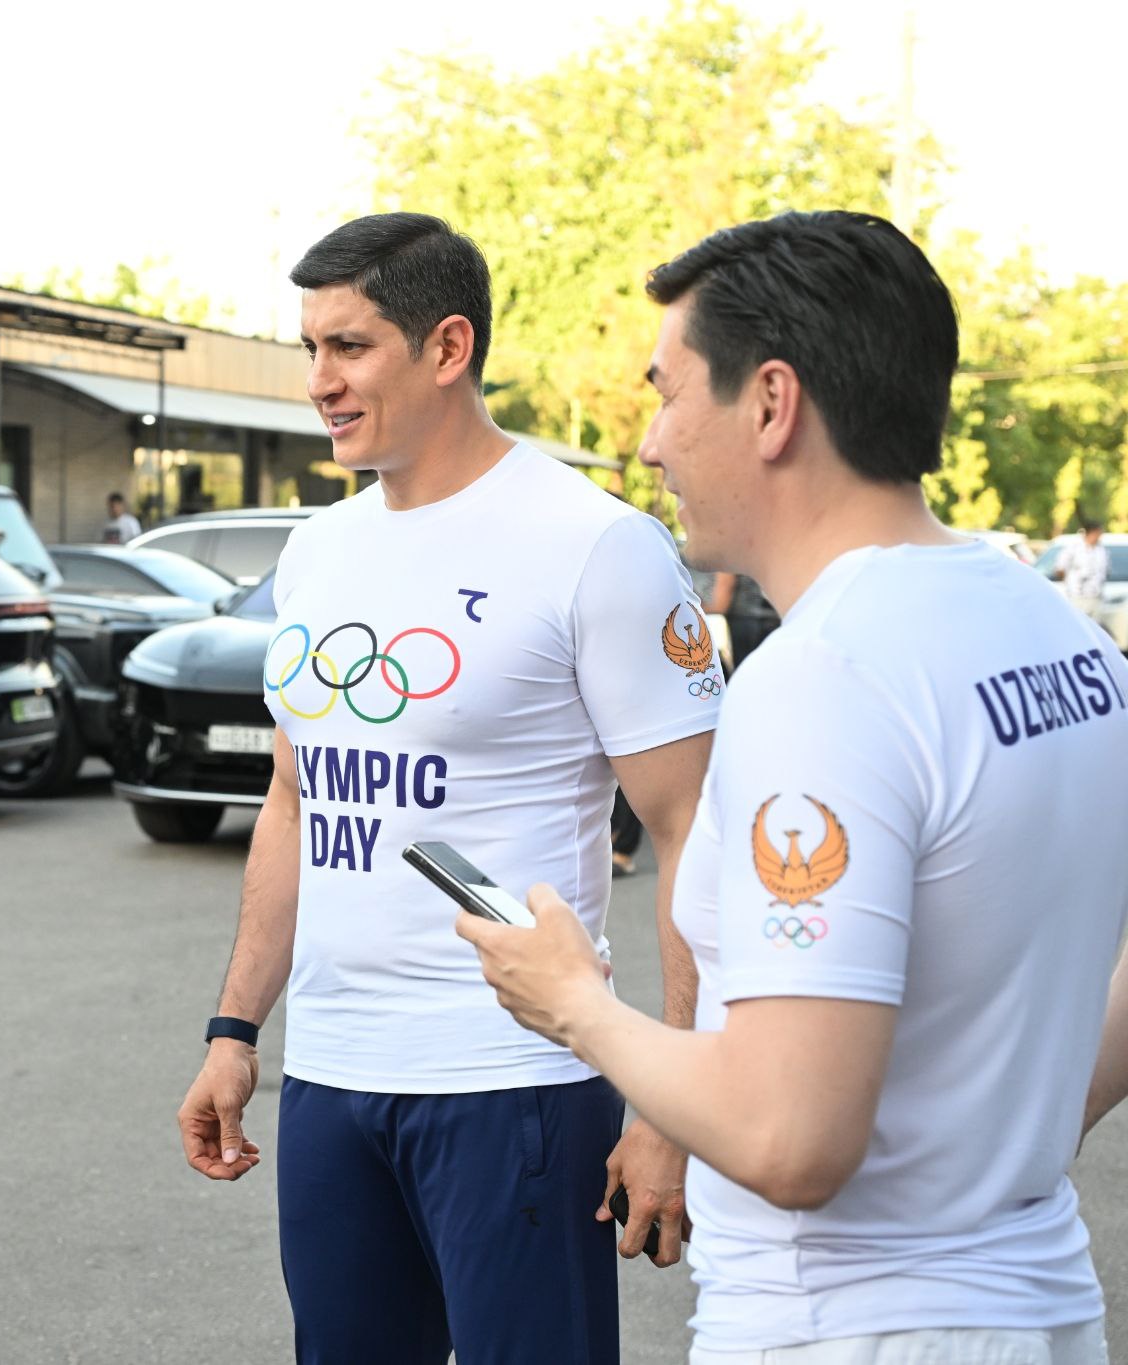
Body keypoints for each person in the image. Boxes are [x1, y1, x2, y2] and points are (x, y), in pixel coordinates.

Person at [460, 211, 1126, 1364]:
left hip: (852, 1326)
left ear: (771, 403)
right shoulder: (1056, 635)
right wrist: (1009, 1125)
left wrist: (573, 1005)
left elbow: (788, 1140)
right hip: (1032, 1306)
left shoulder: (825, 674)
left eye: (667, 395)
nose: (650, 446)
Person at [174, 212, 718, 1364]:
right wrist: (234, 1029)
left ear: (447, 347)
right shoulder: (317, 551)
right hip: (329, 1080)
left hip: (513, 1082)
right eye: (308, 349)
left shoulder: (594, 544)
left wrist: (669, 1101)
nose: (317, 381)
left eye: (348, 346)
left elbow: (691, 832)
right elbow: (294, 801)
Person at [708, 571, 780, 672]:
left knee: (748, 671)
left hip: (745, 620)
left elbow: (721, 603)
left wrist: (696, 607)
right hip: (772, 616)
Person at [1054, 518, 1109, 621]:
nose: (1100, 536)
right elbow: (1060, 568)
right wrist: (1069, 583)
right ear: (1092, 532)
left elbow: (1104, 570)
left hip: (1095, 596)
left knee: (1094, 626)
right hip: (1077, 597)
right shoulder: (1074, 547)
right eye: (1099, 533)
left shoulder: (1101, 549)